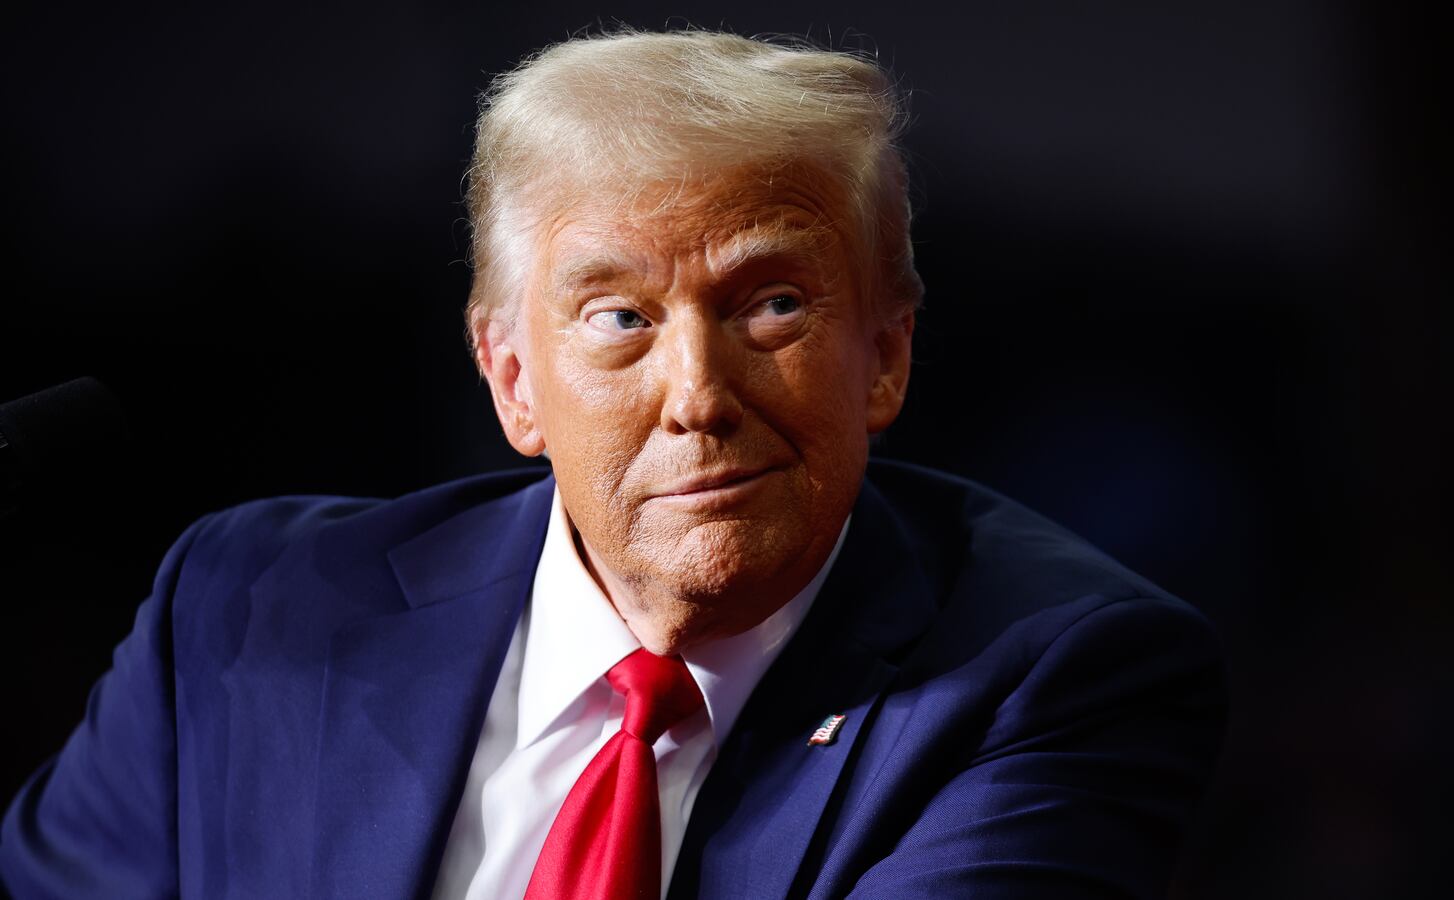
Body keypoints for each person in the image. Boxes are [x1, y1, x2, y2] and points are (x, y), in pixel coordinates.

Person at [0, 29, 1226, 899]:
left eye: (774, 305)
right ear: (513, 380)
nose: (696, 396)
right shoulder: (243, 612)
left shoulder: (1059, 674)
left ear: (885, 357)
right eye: (619, 318)